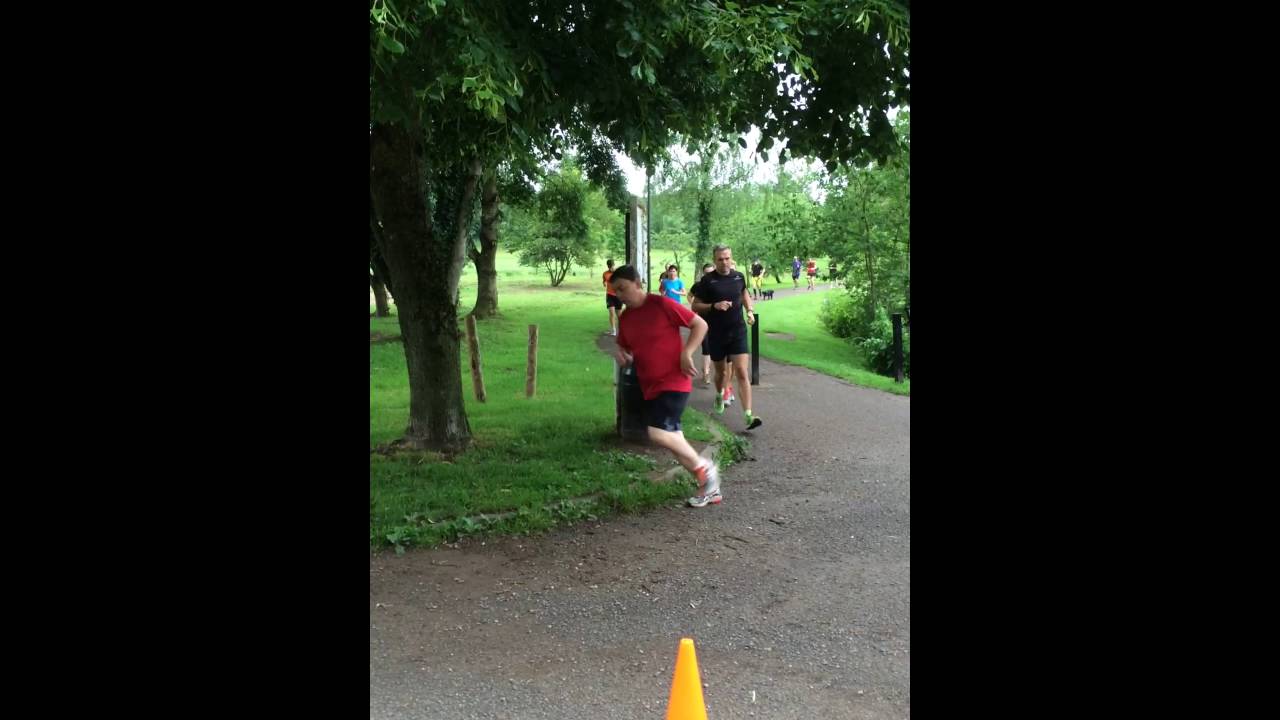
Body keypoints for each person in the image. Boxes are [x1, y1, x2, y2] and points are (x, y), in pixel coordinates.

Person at [610, 265, 721, 507]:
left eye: (622, 288)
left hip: (674, 380)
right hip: (650, 385)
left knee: (658, 433)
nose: (619, 294)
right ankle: (709, 488)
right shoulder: (626, 317)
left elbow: (700, 324)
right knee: (675, 441)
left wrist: (687, 353)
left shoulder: (661, 305)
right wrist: (623, 354)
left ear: (638, 284)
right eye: (615, 291)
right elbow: (625, 345)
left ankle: (707, 471)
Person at [691, 245, 762, 430]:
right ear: (715, 260)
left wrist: (750, 311)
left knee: (741, 372)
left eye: (727, 258)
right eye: (720, 259)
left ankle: (748, 415)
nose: (724, 262)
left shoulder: (739, 276)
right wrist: (714, 306)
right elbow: (695, 306)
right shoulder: (707, 281)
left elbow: (744, 293)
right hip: (716, 333)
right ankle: (720, 392)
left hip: (737, 331)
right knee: (721, 373)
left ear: (731, 258)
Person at [690, 263, 716, 385]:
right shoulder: (699, 285)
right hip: (702, 321)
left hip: (718, 321)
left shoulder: (719, 284)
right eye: (706, 273)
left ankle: (724, 373)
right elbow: (690, 295)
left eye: (711, 272)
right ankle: (706, 372)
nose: (709, 275)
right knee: (706, 346)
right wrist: (694, 307)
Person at [603, 259, 622, 336]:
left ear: (614, 265)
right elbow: (604, 280)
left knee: (619, 315)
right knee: (611, 313)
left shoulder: (618, 273)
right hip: (609, 295)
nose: (611, 268)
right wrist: (604, 283)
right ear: (608, 266)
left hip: (618, 296)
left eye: (612, 266)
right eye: (609, 267)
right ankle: (613, 330)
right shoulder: (605, 273)